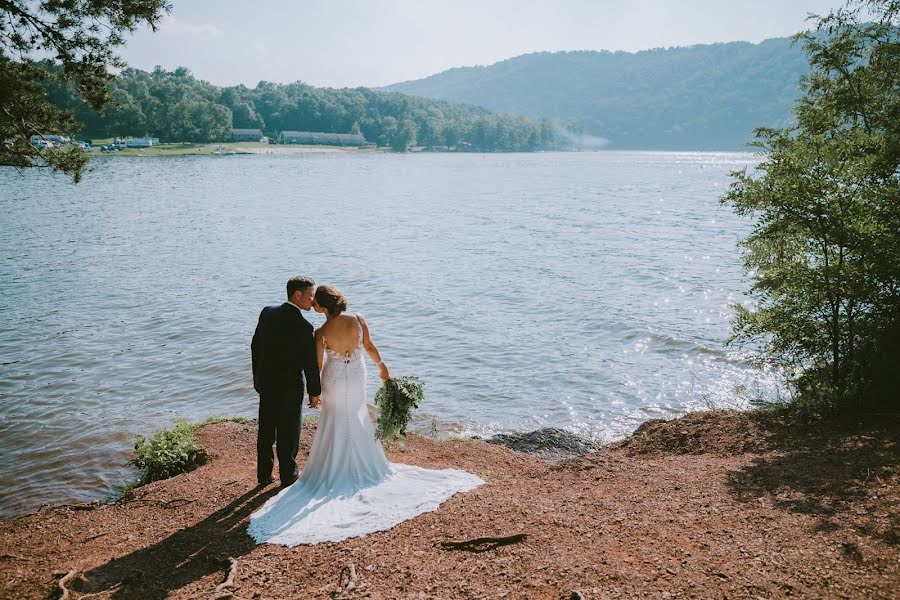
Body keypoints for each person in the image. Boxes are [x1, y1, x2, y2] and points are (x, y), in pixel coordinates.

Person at [248, 284, 483, 546]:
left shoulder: (321, 332)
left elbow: (316, 365)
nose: (313, 305)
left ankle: (316, 468)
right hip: (357, 377)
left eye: (316, 303)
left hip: (334, 379)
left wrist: (314, 393)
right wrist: (382, 367)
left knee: (334, 420)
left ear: (324, 307)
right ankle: (362, 464)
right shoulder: (358, 319)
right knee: (356, 417)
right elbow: (369, 346)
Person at [251, 276, 321, 488]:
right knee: (288, 432)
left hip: (267, 383)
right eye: (310, 295)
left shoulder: (267, 312)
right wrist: (314, 391)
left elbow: (255, 346)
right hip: (290, 386)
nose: (312, 300)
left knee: (266, 429)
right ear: (297, 294)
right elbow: (310, 363)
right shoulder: (303, 326)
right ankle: (288, 475)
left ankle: (263, 475)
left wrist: (257, 377)